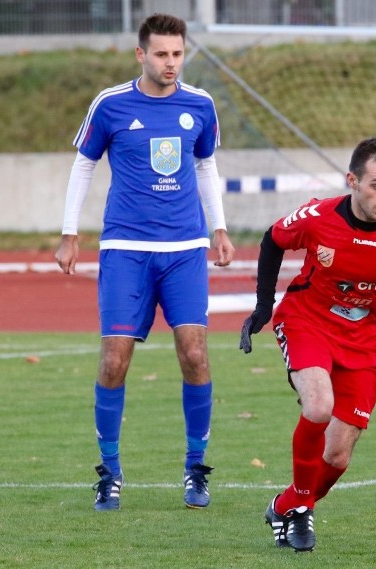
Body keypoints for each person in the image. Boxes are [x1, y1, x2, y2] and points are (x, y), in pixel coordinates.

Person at [55, 13, 235, 511]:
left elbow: (206, 164)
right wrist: (70, 234)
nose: (170, 62)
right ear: (141, 54)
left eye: (177, 53)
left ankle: (196, 468)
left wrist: (218, 228)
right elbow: (84, 163)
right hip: (125, 251)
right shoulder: (111, 104)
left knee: (195, 354)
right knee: (114, 361)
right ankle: (109, 472)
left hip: (183, 251)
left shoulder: (199, 104)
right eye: (161, 54)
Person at [239, 137, 376, 552]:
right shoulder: (318, 216)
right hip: (307, 322)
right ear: (352, 180)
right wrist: (264, 307)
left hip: (366, 344)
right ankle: (300, 514)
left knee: (337, 457)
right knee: (318, 405)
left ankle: (286, 504)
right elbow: (273, 240)